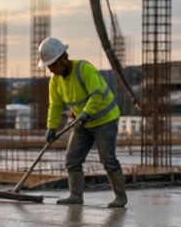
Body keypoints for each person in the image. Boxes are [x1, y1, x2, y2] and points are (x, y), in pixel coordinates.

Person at [38, 36, 127, 208]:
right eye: (48, 66)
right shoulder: (55, 81)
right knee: (72, 159)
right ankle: (75, 195)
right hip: (83, 122)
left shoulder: (84, 69)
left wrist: (87, 112)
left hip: (104, 119)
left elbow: (97, 94)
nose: (50, 70)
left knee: (107, 159)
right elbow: (55, 106)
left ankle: (120, 197)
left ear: (63, 59)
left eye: (52, 65)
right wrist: (51, 127)